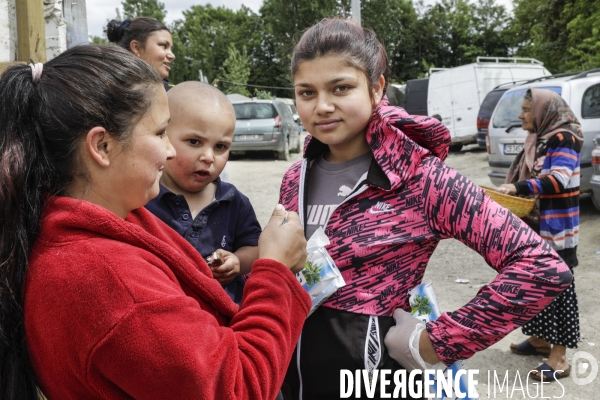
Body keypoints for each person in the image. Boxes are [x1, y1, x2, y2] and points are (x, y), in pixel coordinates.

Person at [279, 18, 573, 399]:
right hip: (292, 373)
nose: (322, 106)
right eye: (306, 92)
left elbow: (541, 266)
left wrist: (438, 341)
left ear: (376, 88)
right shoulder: (294, 178)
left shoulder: (421, 178)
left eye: (341, 88)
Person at [0, 45, 310, 400]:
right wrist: (275, 270)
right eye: (161, 133)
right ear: (102, 146)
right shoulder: (112, 283)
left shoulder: (91, 226)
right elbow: (237, 387)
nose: (172, 151)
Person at [146, 81, 260, 305]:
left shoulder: (233, 201)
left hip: (223, 320)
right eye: (194, 142)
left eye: (220, 147)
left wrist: (237, 261)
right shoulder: (144, 197)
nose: (209, 156)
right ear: (164, 137)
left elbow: (255, 247)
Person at [498, 88, 582, 382]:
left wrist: (519, 188)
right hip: (537, 227)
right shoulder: (542, 138)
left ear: (541, 112)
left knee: (560, 291)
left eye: (525, 110)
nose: (521, 115)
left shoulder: (565, 138)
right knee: (533, 282)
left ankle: (559, 358)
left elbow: (558, 179)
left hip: (557, 230)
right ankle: (538, 340)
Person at [106, 17, 176, 92]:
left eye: (170, 49)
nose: (172, 56)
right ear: (136, 48)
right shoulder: (104, 90)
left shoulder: (174, 93)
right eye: (164, 46)